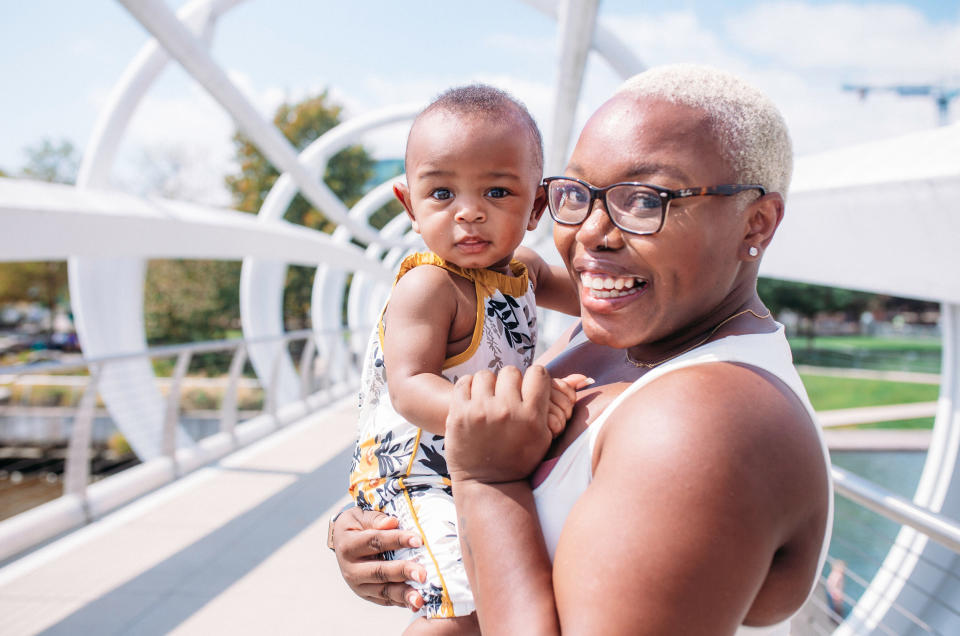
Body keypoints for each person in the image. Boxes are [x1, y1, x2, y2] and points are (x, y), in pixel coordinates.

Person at [332, 64, 833, 635]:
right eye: (578, 194)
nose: (592, 230)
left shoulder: (706, 421)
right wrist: (376, 535)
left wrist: (487, 481)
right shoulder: (609, 335)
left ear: (757, 223)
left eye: (645, 200)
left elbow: (493, 478)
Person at [347, 84, 583, 635]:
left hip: (471, 462)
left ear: (536, 208)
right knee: (461, 605)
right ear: (410, 206)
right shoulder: (430, 286)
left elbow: (589, 298)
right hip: (416, 476)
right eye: (442, 194)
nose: (470, 213)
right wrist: (508, 414)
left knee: (494, 584)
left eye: (498, 192)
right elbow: (409, 387)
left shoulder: (523, 268)